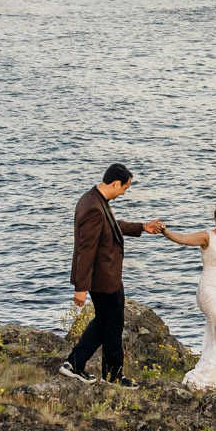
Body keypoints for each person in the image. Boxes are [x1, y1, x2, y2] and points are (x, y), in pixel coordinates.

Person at [61, 163, 165, 387]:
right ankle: (110, 375)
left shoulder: (94, 200)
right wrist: (81, 287)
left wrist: (142, 227)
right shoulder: (93, 207)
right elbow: (85, 250)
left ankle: (77, 365)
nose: (124, 193)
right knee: (112, 324)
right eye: (124, 188)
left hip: (106, 277)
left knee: (105, 322)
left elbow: (111, 226)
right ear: (116, 183)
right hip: (102, 279)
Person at [159, 202, 216, 391]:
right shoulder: (207, 237)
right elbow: (183, 239)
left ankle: (213, 381)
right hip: (209, 292)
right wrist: (166, 233)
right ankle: (197, 379)